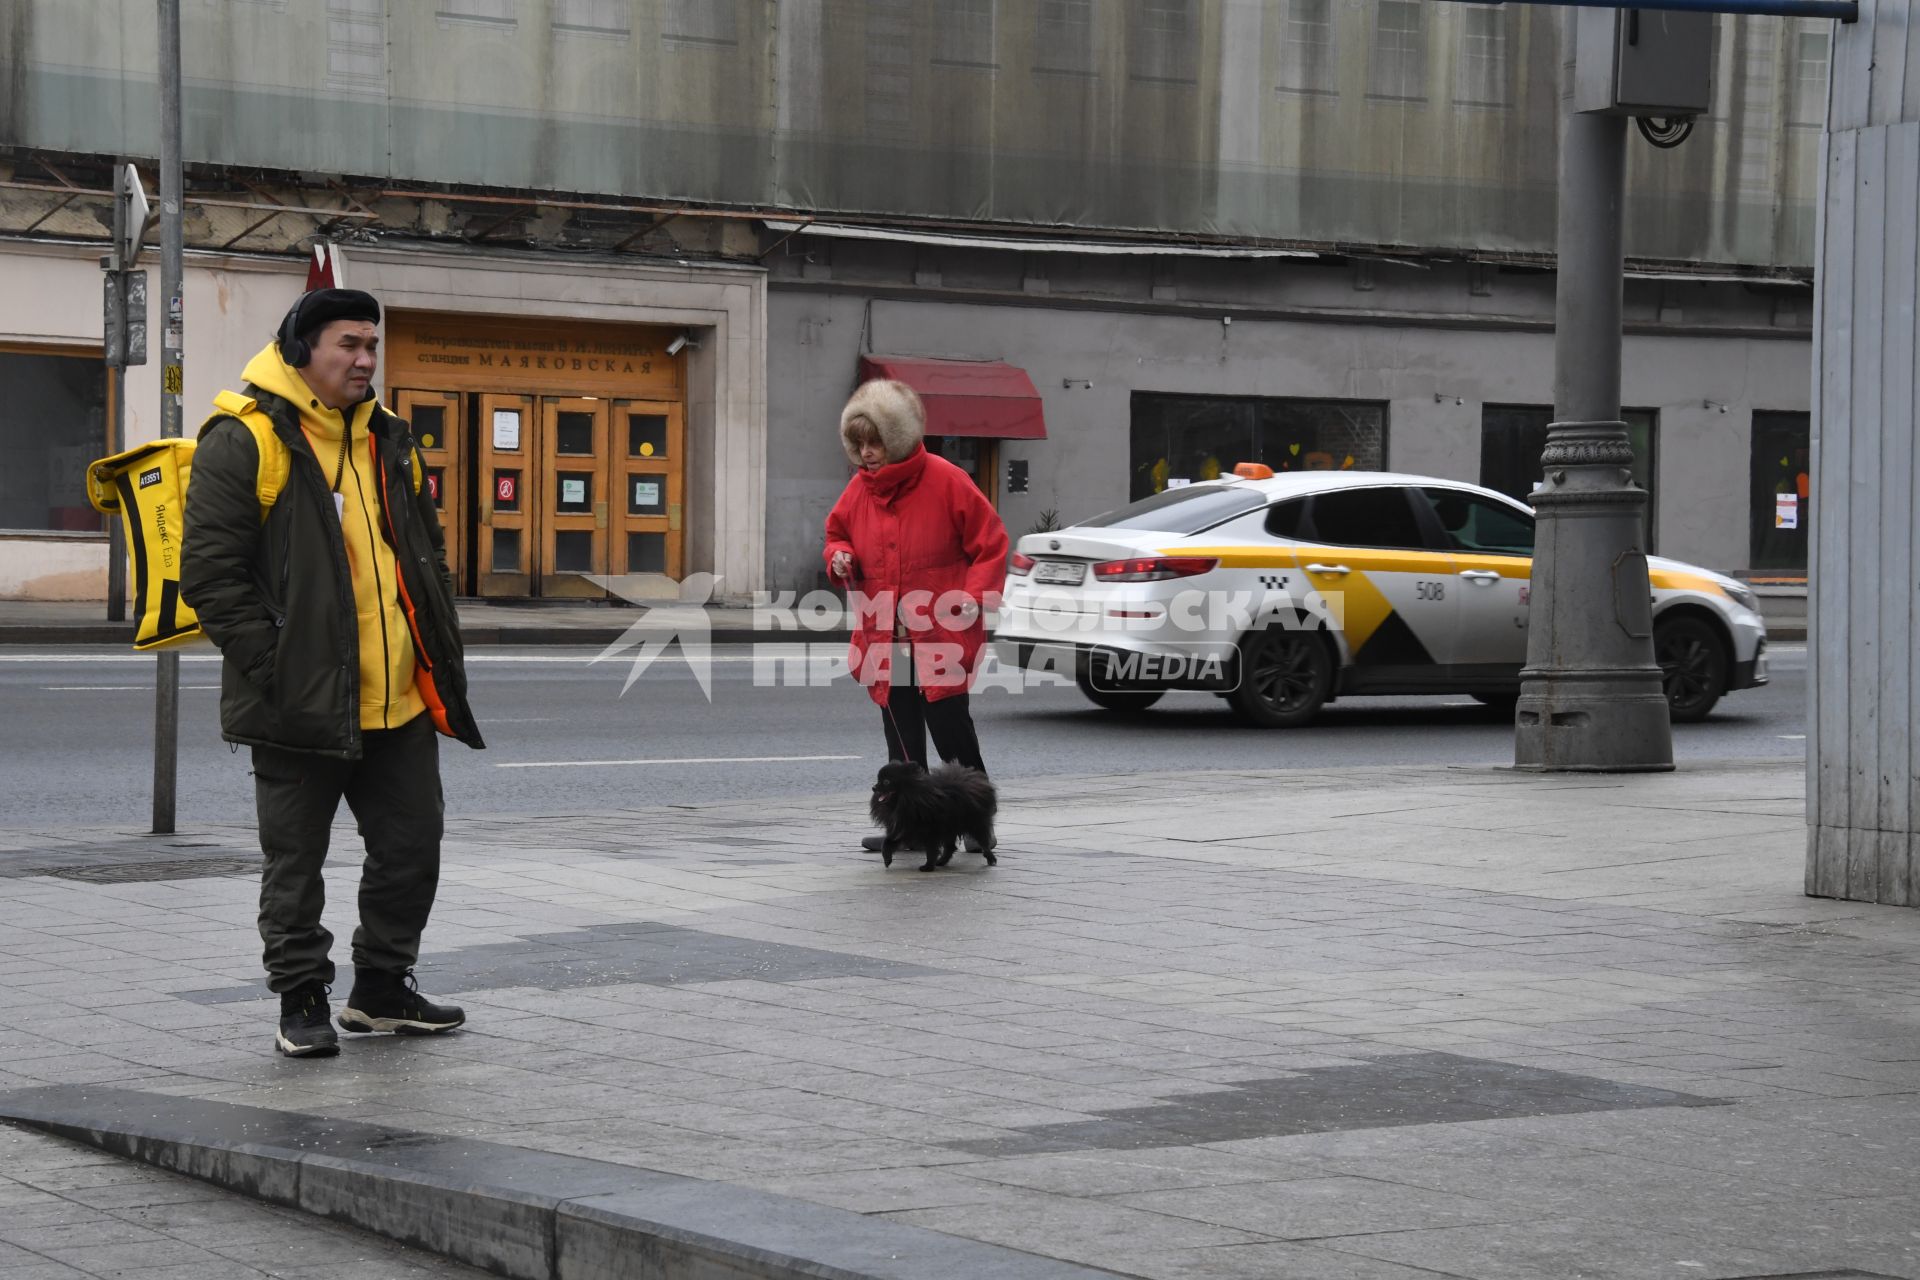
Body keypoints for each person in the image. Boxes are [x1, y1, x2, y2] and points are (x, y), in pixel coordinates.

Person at [181, 288, 484, 1058]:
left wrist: (435, 649)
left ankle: (381, 989)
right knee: (296, 862)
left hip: (398, 700)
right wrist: (280, 667)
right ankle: (301, 998)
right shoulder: (244, 438)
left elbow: (423, 556)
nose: (364, 359)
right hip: (299, 701)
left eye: (372, 345)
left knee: (413, 847)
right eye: (348, 344)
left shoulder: (390, 439)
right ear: (299, 349)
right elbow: (211, 578)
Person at [823, 380, 1008, 853]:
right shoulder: (858, 491)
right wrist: (840, 555)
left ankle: (975, 827)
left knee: (952, 736)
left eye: (875, 443)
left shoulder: (947, 479)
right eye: (859, 444)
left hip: (940, 631)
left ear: (899, 438)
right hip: (886, 634)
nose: (866, 454)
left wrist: (974, 595)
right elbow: (837, 533)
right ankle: (909, 828)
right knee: (902, 741)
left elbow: (990, 542)